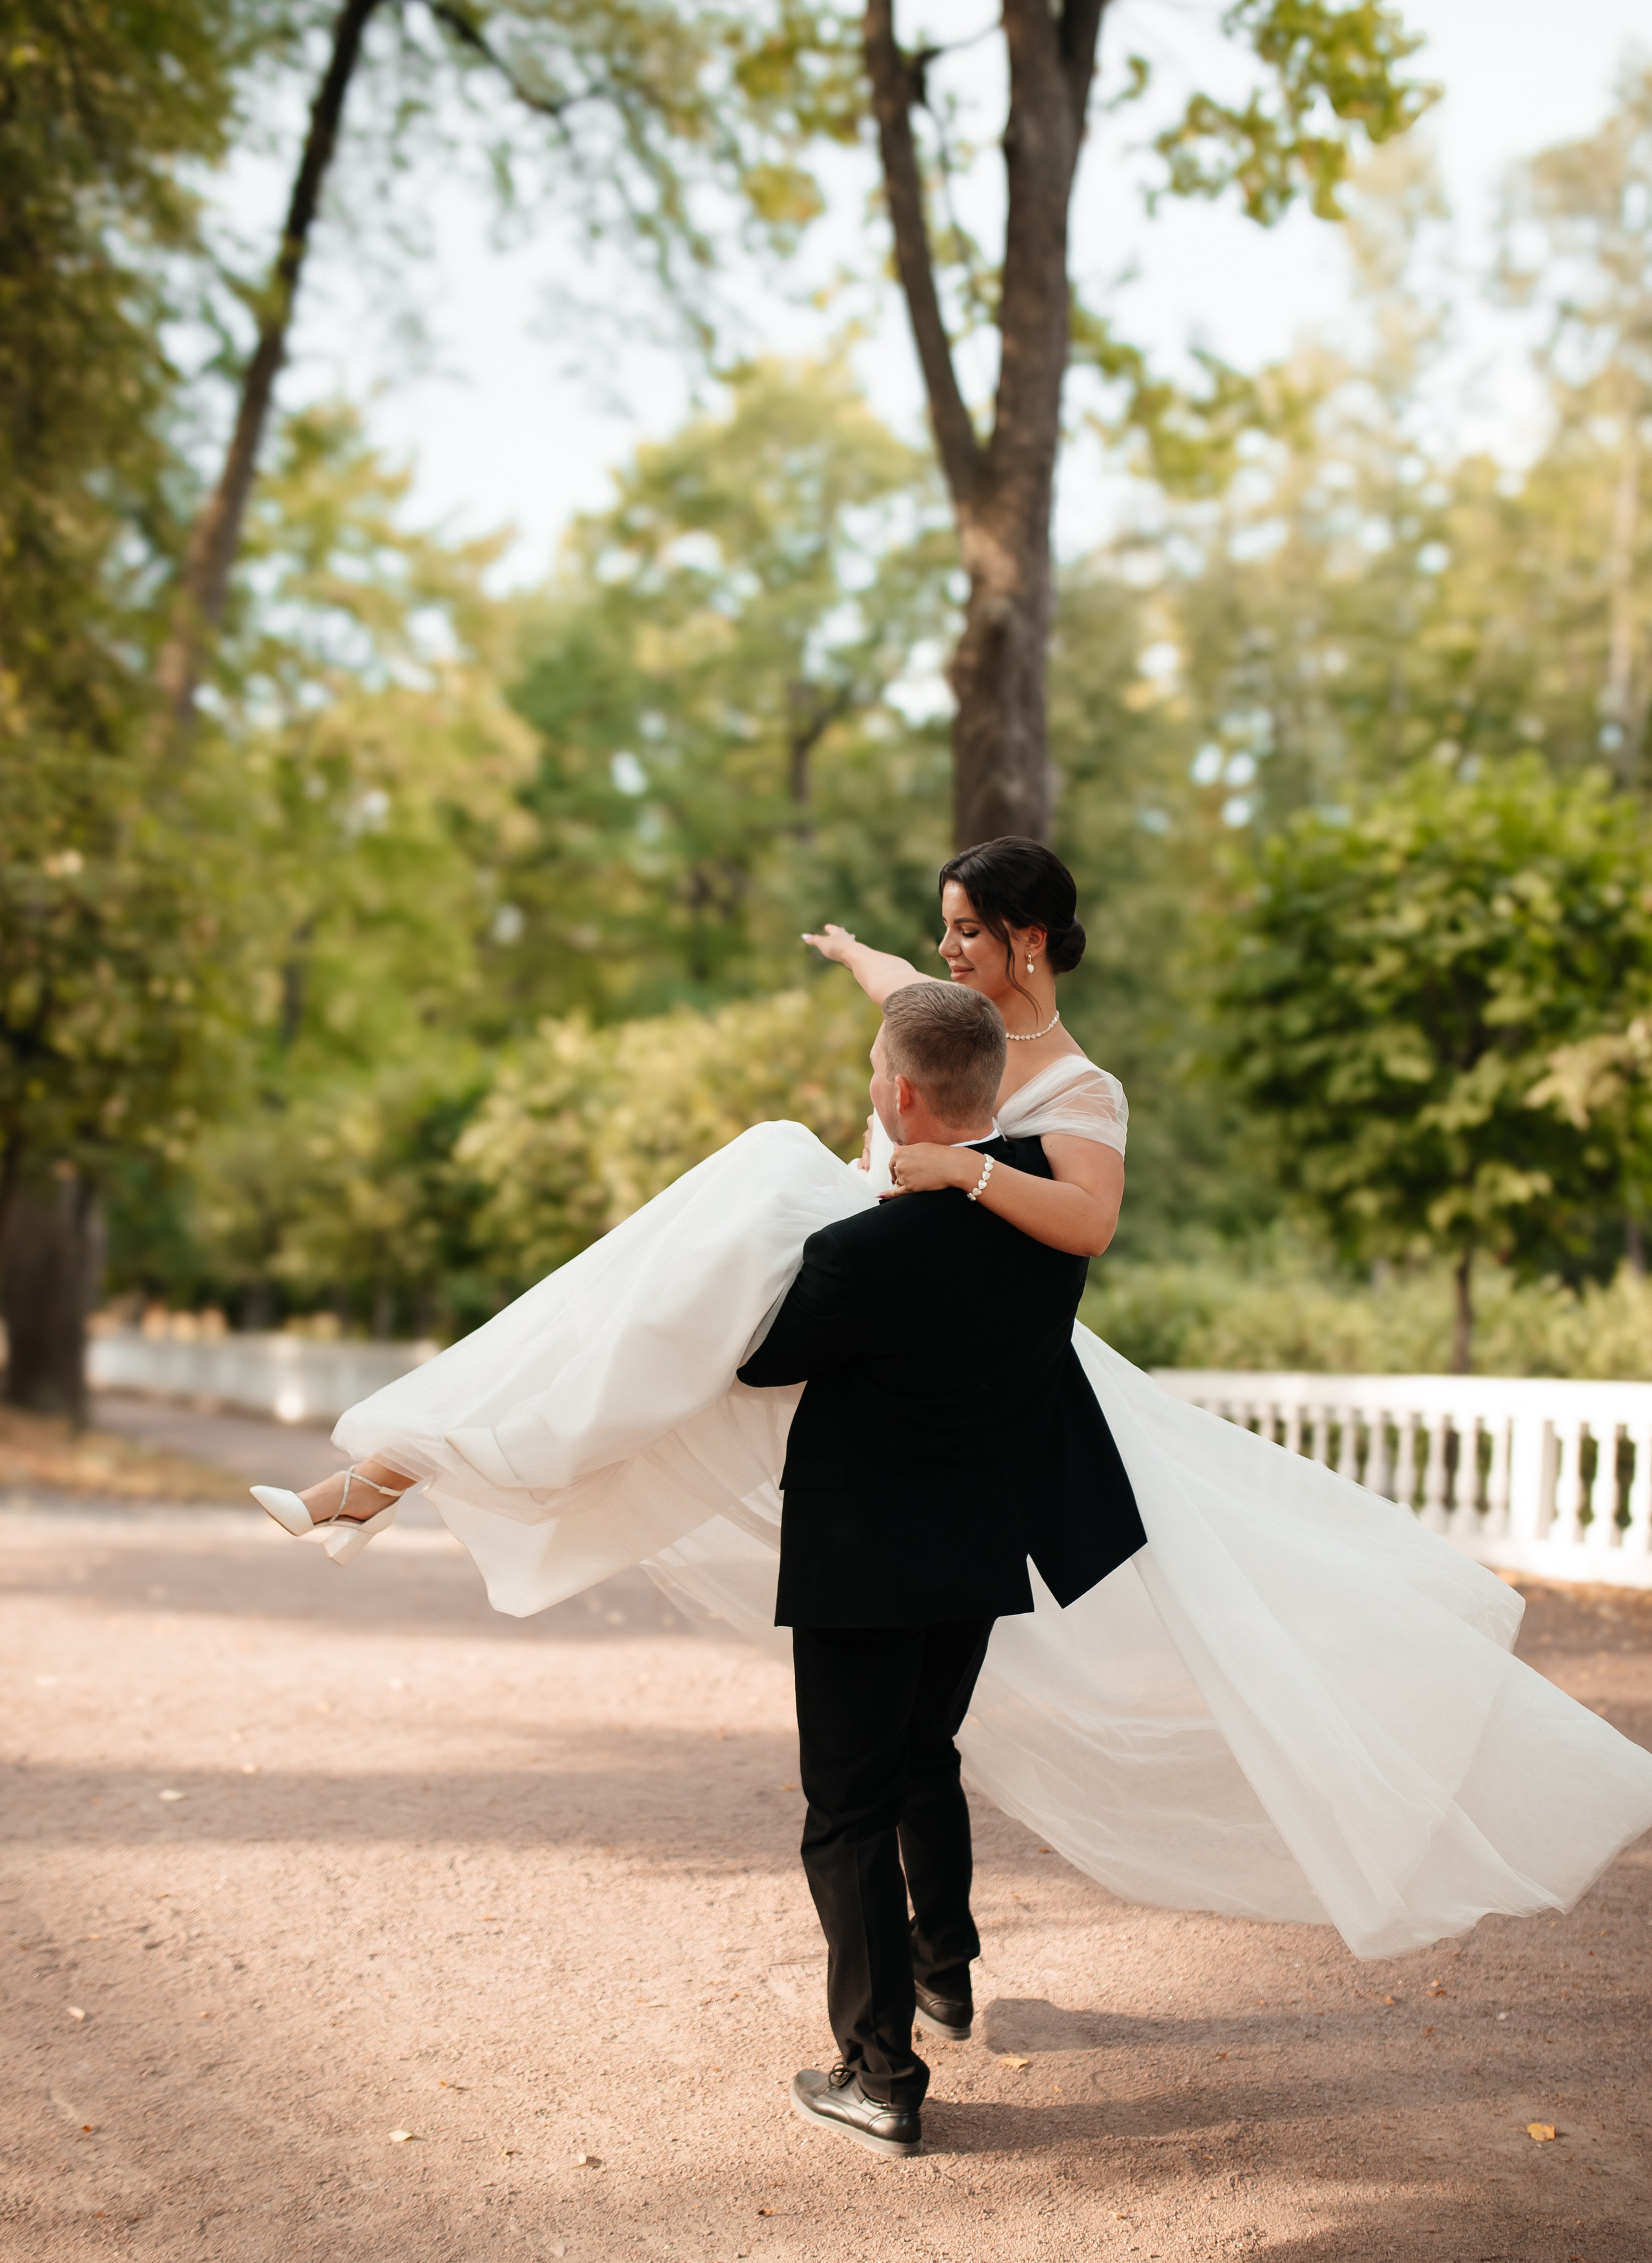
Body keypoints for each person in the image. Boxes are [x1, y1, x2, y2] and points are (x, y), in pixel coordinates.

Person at [250, 837, 1652, 2075]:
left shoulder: (1077, 1086)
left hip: (979, 1374)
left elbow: (1086, 1222)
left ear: (1027, 941)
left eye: (965, 929)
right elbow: (906, 1017)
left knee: (722, 1307)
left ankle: (409, 1464)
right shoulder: (946, 1027)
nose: (945, 950)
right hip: (893, 1330)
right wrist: (860, 958)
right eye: (937, 934)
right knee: (694, 1298)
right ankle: (398, 1467)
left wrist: (960, 1171)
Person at [734, 980, 1142, 2158]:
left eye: (875, 1071)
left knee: (847, 1811)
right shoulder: (1044, 1246)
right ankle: (943, 1977)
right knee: (922, 1760)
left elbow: (768, 1368)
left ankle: (879, 2074)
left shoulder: (855, 1249)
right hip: (975, 1552)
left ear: (901, 1094)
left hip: (859, 1559)